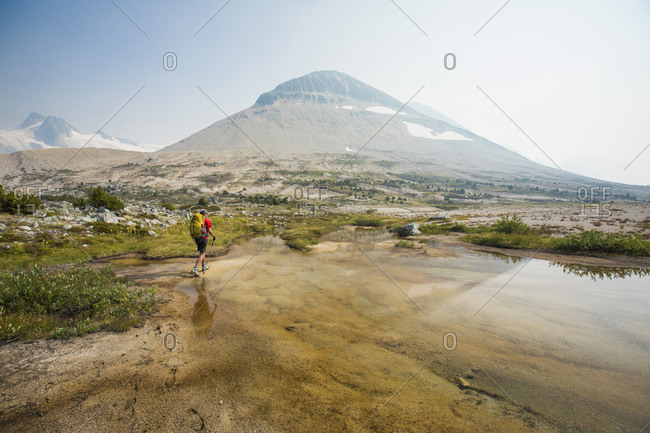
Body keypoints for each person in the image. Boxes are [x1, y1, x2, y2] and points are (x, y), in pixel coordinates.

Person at [190, 209, 216, 277]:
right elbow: (209, 230)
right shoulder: (206, 220)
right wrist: (213, 236)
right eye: (207, 214)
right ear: (205, 214)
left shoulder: (197, 220)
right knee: (202, 253)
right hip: (203, 238)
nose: (207, 215)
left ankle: (203, 266)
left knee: (202, 252)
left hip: (196, 237)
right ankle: (195, 268)